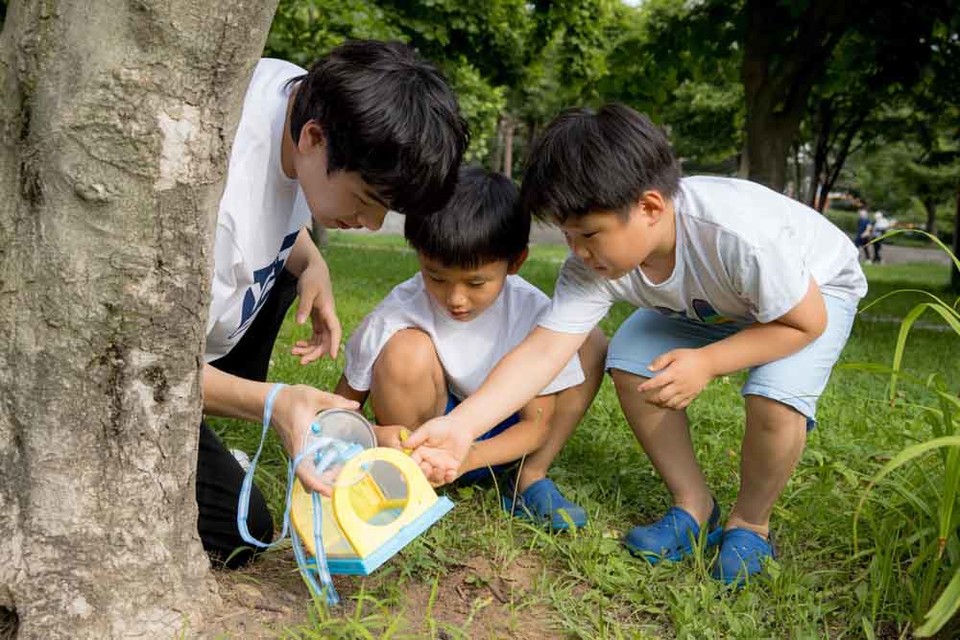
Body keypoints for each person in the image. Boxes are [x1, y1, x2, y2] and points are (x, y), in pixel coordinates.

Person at [405, 104, 867, 584]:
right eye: (567, 236)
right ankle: (695, 507)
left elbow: (805, 324)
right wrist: (460, 426)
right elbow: (544, 352)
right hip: (716, 302)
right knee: (630, 358)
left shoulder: (739, 236)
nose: (577, 251)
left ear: (649, 207)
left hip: (810, 297)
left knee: (774, 398)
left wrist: (708, 361)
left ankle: (750, 524)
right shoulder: (592, 265)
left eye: (588, 235)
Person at [200, 40, 468, 567]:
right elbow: (146, 372)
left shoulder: (294, 92)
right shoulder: (215, 218)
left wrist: (310, 265)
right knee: (239, 531)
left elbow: (279, 203)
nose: (368, 225)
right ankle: (208, 423)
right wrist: (273, 403)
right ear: (313, 138)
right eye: (365, 203)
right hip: (134, 381)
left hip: (206, 331)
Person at [334, 166, 608, 530]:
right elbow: (339, 413)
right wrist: (373, 435)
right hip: (426, 442)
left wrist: (468, 457)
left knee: (587, 342)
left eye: (476, 282)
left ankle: (529, 477)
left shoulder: (530, 311)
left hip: (504, 442)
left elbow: (536, 426)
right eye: (436, 277)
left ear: (515, 263)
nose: (456, 298)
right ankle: (415, 478)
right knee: (404, 351)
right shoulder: (398, 311)